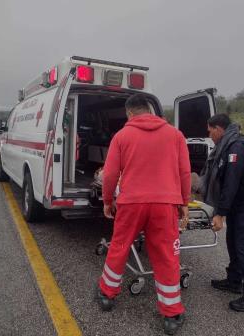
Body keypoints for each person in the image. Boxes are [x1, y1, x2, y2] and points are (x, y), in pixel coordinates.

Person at [97, 94, 191, 335]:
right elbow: (184, 172)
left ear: (129, 113)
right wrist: (183, 203)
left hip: (131, 203)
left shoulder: (122, 136)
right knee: (166, 256)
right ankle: (171, 314)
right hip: (165, 203)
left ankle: (107, 295)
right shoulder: (175, 135)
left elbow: (109, 174)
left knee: (119, 247)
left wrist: (108, 200)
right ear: (150, 110)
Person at [201, 114, 244, 312]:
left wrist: (220, 213)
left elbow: (231, 182)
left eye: (210, 130)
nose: (209, 135)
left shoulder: (236, 147)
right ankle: (234, 281)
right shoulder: (227, 145)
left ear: (219, 128)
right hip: (238, 204)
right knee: (233, 243)